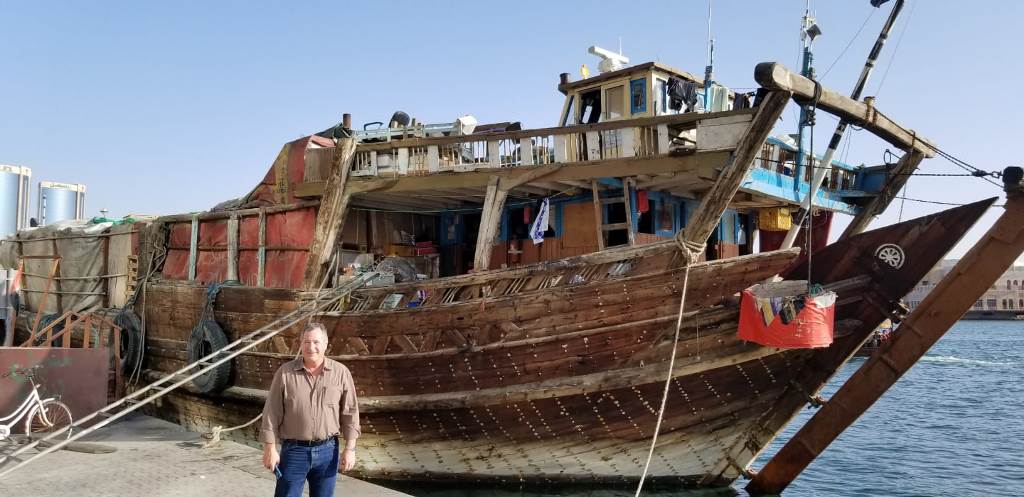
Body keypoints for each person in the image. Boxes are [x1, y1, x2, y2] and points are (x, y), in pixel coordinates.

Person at [260, 323, 360, 497]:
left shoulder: (341, 373)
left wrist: (350, 449)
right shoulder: (285, 373)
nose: (311, 347)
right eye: (306, 342)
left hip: (328, 451)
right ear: (300, 344)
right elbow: (271, 412)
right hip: (294, 451)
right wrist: (270, 449)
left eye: (316, 342)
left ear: (326, 344)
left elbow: (350, 413)